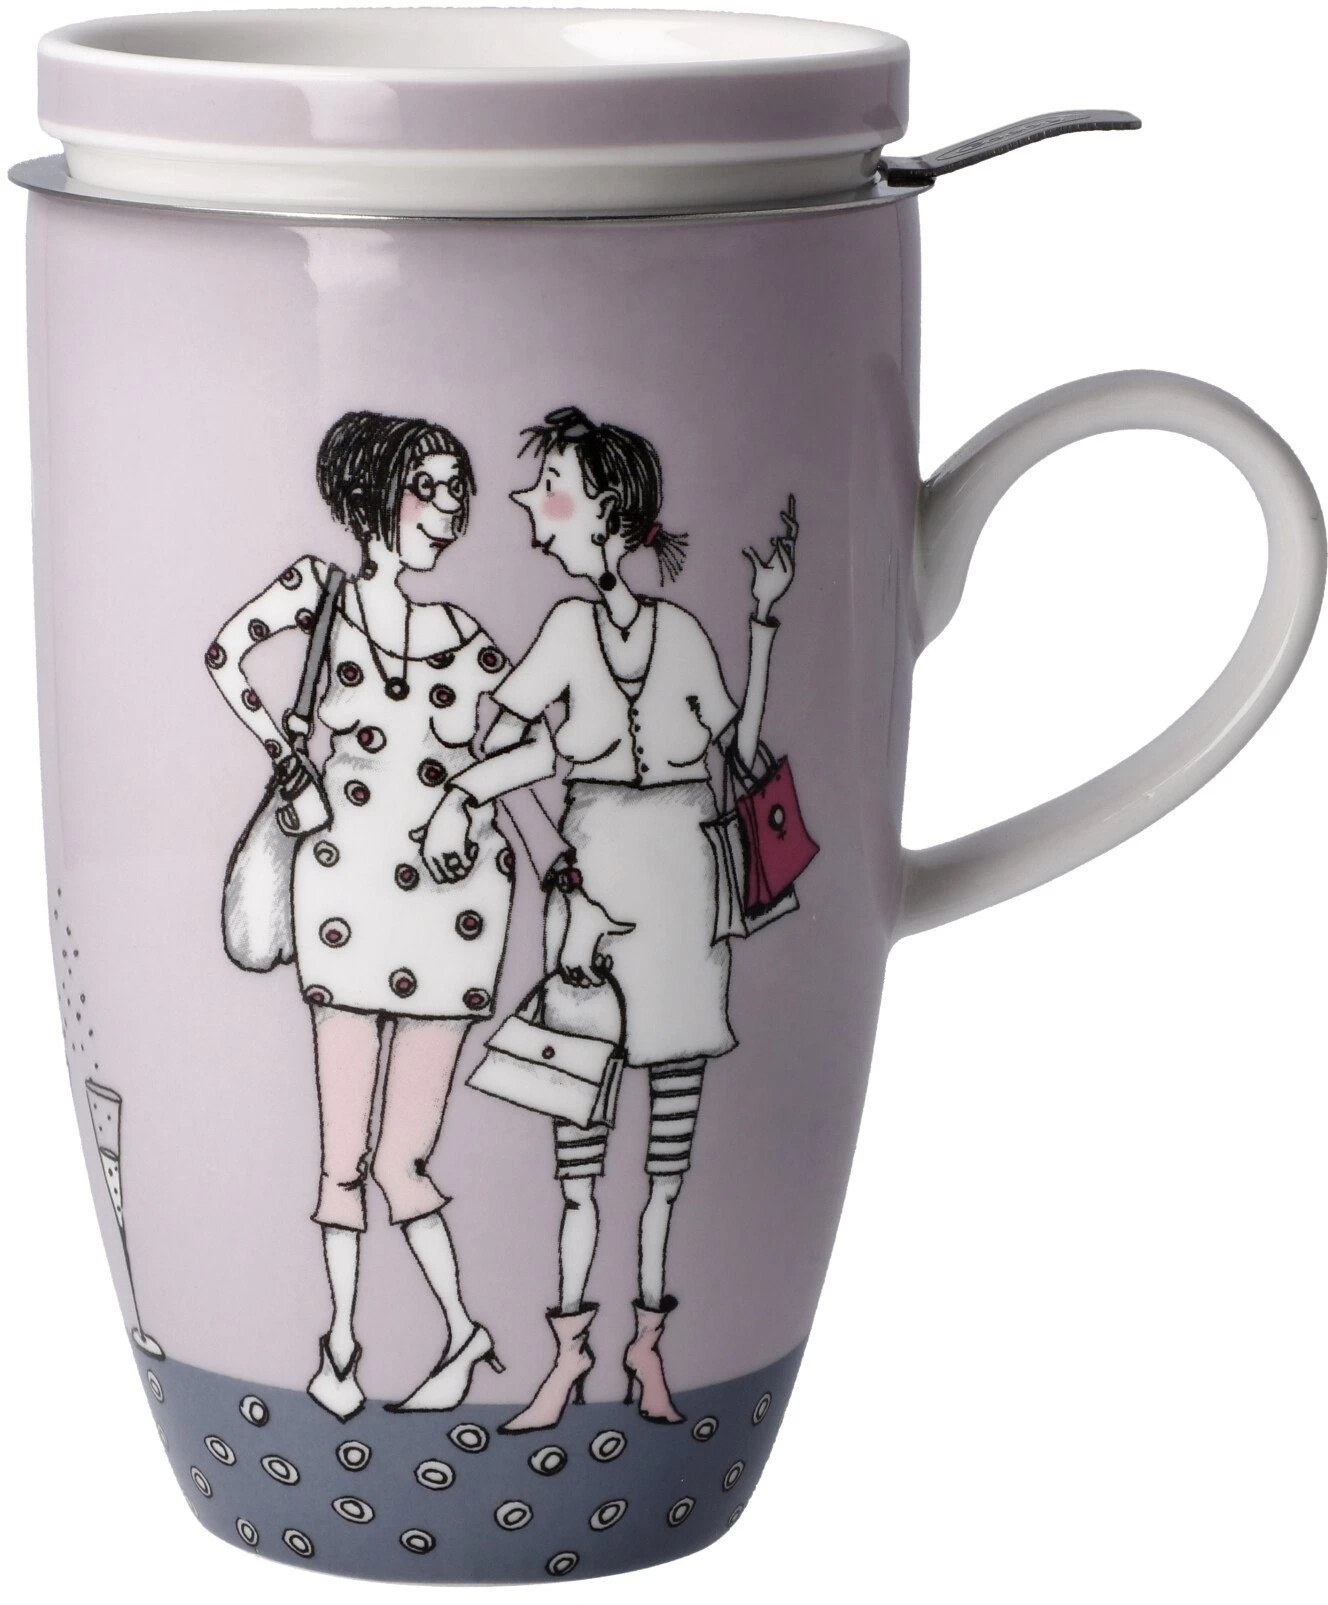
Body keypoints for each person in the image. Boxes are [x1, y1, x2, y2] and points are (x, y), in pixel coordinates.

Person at [422, 405, 798, 1429]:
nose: (527, 504)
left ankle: (648, 1350)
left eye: (549, 488)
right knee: (578, 1165)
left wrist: (764, 621)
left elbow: (739, 750)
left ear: (606, 512)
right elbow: (518, 748)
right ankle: (567, 1356)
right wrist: (490, 809)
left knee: (666, 1166)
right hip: (590, 918)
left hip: (682, 908)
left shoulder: (679, 634)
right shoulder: (562, 631)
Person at [207, 410, 566, 1419]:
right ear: (373, 497)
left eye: (458, 492)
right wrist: (286, 757)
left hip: (454, 909)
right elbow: (226, 656)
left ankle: (455, 1332)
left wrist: (471, 796)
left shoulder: (464, 639)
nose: (449, 510)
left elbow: (545, 742)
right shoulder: (317, 596)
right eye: (429, 488)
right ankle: (341, 1344)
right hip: (343, 898)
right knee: (343, 1156)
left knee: (403, 1156)